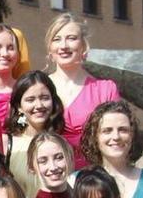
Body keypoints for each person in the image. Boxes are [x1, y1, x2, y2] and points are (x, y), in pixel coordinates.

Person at [44, 12, 122, 140]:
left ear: (84, 45)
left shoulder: (105, 90)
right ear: (50, 48)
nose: (63, 46)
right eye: (57, 39)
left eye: (71, 38)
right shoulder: (38, 88)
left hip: (94, 159)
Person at [3, 71, 75, 197]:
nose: (39, 105)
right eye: (30, 100)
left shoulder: (64, 142)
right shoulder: (7, 144)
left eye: (44, 98)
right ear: (19, 106)